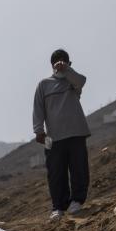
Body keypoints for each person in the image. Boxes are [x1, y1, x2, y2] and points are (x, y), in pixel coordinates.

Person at [33, 49, 91, 220]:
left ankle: (77, 201)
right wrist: (38, 130)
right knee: (56, 172)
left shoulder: (73, 81)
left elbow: (82, 81)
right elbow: (38, 108)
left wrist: (67, 70)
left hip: (76, 132)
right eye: (56, 61)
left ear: (69, 63)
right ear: (51, 65)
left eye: (63, 61)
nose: (59, 63)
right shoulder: (44, 84)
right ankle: (58, 206)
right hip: (53, 136)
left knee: (78, 168)